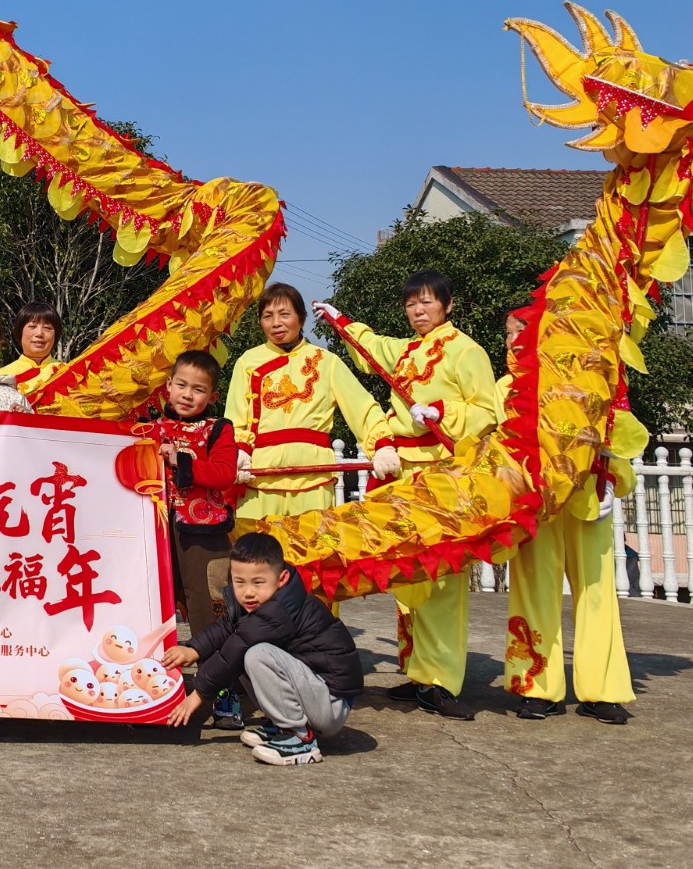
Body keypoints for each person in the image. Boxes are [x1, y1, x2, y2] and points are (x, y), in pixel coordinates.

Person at [313, 270, 496, 721]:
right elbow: (373, 346)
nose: (418, 311)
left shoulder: (467, 351)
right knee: (407, 573)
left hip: (442, 473)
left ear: (447, 305)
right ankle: (416, 672)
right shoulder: (405, 350)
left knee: (444, 576)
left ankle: (442, 680)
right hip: (402, 476)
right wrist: (343, 322)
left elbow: (488, 410)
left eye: (428, 302)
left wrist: (442, 411)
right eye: (412, 304)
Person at [498, 306, 636, 724]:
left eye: (523, 330)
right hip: (535, 505)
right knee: (534, 589)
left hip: (588, 499)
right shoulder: (505, 386)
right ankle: (538, 687)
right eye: (508, 332)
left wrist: (611, 478)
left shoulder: (586, 376)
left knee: (596, 593)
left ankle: (603, 690)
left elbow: (617, 431)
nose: (514, 339)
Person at [163, 532, 362, 766]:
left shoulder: (279, 610)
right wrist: (194, 649)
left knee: (254, 654)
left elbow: (234, 650)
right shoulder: (257, 602)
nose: (248, 592)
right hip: (314, 693)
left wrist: (197, 694)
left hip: (330, 703)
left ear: (282, 578)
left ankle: (299, 739)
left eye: (258, 582)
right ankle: (282, 724)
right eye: (240, 582)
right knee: (245, 653)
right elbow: (226, 627)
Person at [225, 283, 396, 535]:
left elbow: (361, 406)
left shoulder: (327, 361)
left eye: (285, 314)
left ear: (301, 317)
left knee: (313, 556)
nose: (276, 323)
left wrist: (381, 445)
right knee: (255, 557)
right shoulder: (247, 361)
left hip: (314, 474)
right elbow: (235, 414)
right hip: (258, 473)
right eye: (267, 316)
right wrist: (236, 452)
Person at [156, 350, 244, 729]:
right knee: (152, 612)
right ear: (167, 386)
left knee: (212, 612)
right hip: (153, 530)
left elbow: (225, 473)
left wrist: (183, 462)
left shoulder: (219, 428)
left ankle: (224, 694)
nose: (187, 395)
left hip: (204, 535)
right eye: (181, 385)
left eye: (198, 389)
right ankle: (152, 691)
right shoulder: (148, 425)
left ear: (211, 396)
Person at [0, 300, 67, 397]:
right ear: (20, 331)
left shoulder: (69, 372)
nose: (39, 333)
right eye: (32, 326)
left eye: (47, 328)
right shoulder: (1, 376)